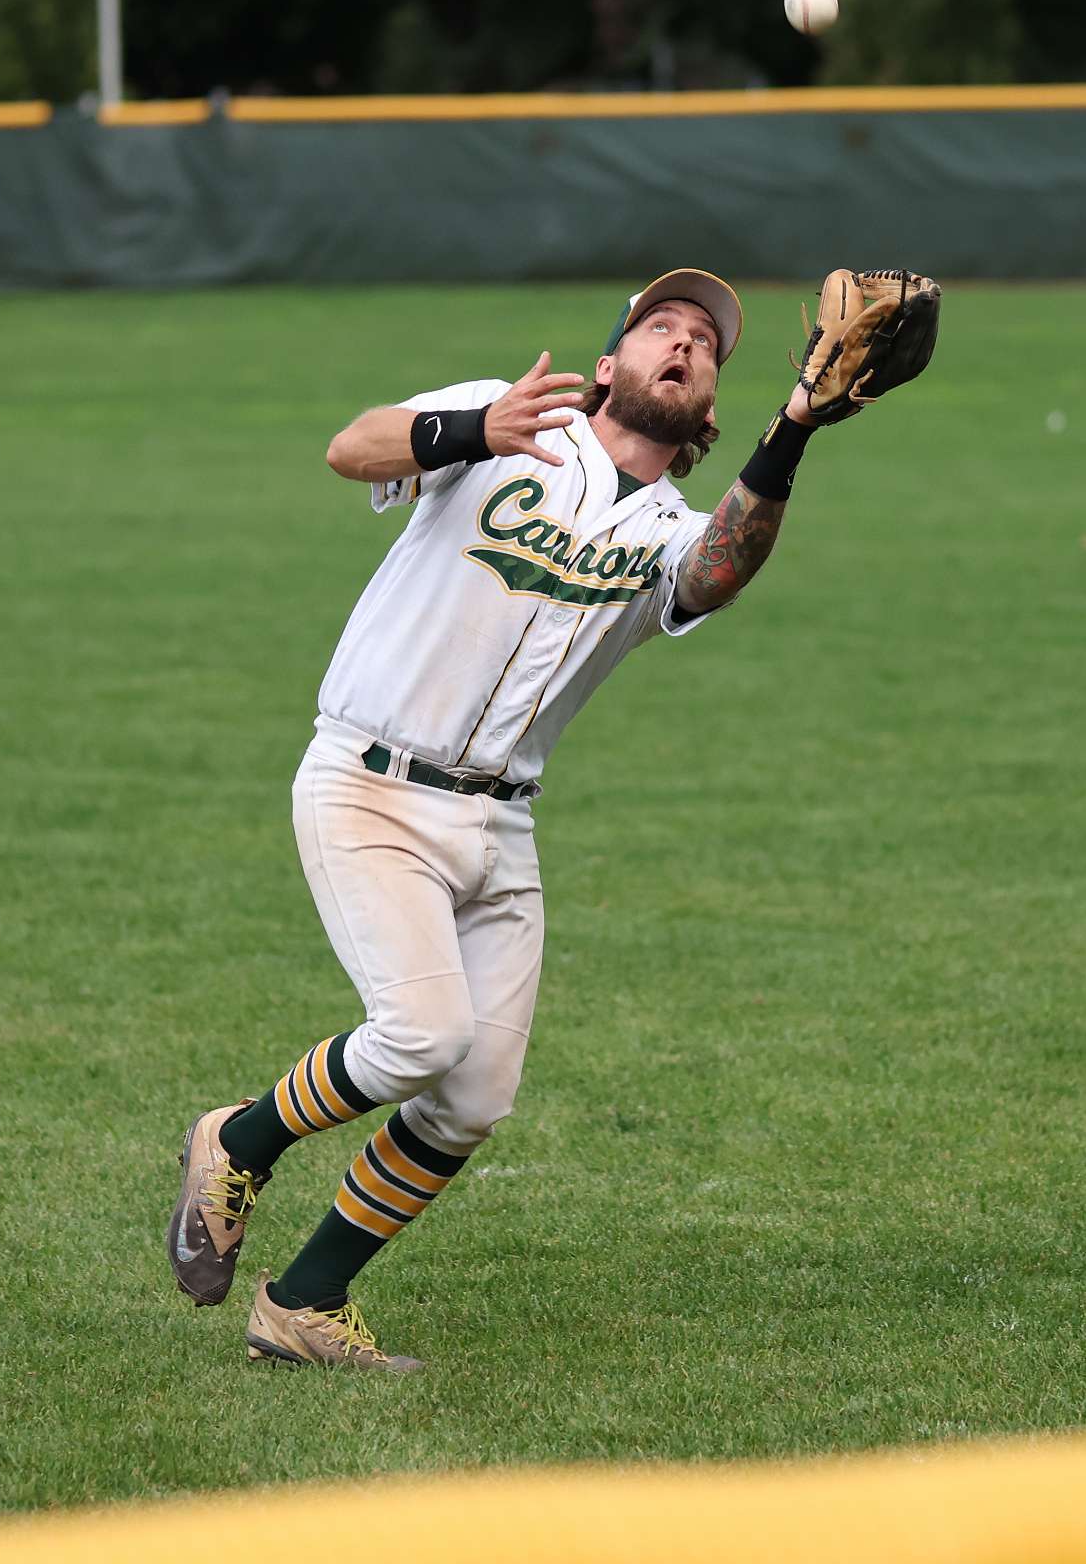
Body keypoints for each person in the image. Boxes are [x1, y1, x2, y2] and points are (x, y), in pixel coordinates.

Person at [167, 267, 833, 1371]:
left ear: (712, 403)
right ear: (607, 363)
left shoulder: (672, 530)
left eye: (703, 344)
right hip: (369, 784)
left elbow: (719, 570)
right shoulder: (505, 422)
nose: (681, 343)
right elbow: (351, 447)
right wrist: (473, 428)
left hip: (501, 827)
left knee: (471, 1097)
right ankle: (235, 1140)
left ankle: (303, 1302)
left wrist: (796, 425)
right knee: (422, 1035)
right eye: (659, 326)